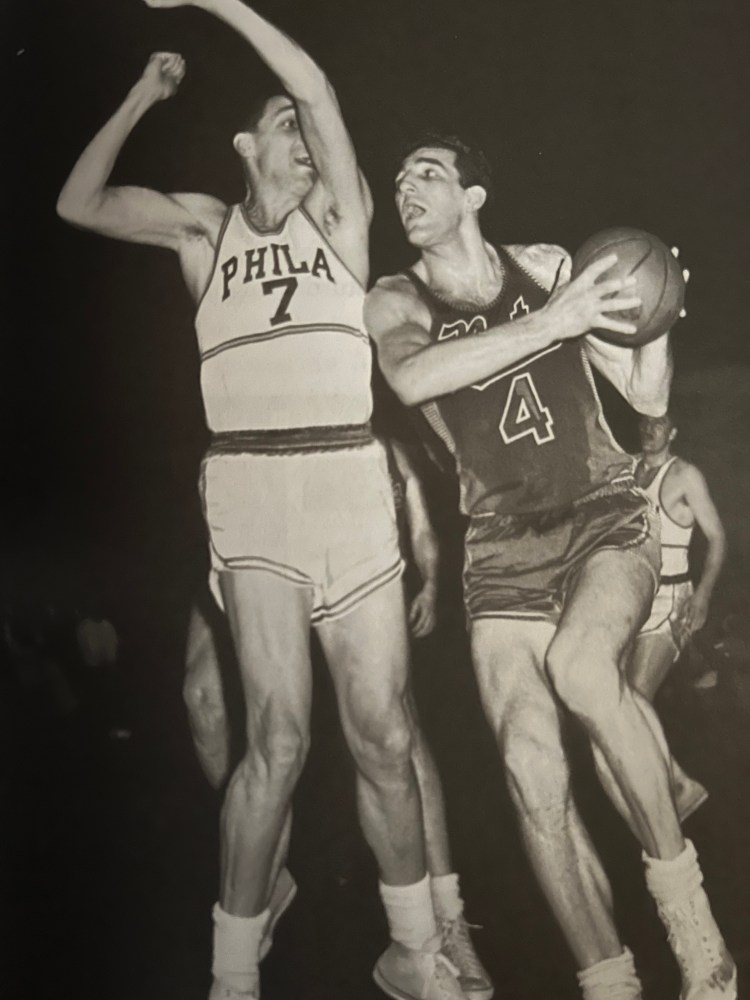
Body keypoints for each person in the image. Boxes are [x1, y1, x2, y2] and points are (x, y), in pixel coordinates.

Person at [56, 4, 470, 998]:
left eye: (306, 125)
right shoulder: (207, 228)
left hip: (347, 475)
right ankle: (233, 974)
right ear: (247, 147)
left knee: (384, 734)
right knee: (275, 739)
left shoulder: (344, 217)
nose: (305, 132)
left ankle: (415, 952)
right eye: (283, 123)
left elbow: (318, 89)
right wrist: (143, 95)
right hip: (252, 484)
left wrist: (221, 4)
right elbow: (78, 202)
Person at [365, 132, 737, 1000]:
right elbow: (412, 378)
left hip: (604, 515)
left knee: (582, 668)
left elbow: (644, 395)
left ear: (474, 196)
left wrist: (658, 316)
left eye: (428, 173)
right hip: (499, 549)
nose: (406, 186)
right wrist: (553, 322)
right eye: (400, 177)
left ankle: (691, 918)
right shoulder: (394, 297)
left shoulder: (548, 267)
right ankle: (609, 981)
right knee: (532, 771)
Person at [183, 433, 493, 999]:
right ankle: (263, 877)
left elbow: (422, 522)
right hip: (261, 504)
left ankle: (443, 918)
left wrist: (431, 581)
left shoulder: (387, 446)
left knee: (394, 733)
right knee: (218, 707)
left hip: (352, 545)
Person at [594, 412, 727, 825]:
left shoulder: (685, 476)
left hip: (672, 597)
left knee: (634, 696)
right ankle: (663, 785)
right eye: (645, 423)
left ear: (673, 432)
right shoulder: (627, 469)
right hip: (630, 601)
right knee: (610, 698)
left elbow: (718, 538)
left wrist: (703, 594)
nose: (649, 431)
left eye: (659, 425)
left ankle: (676, 785)